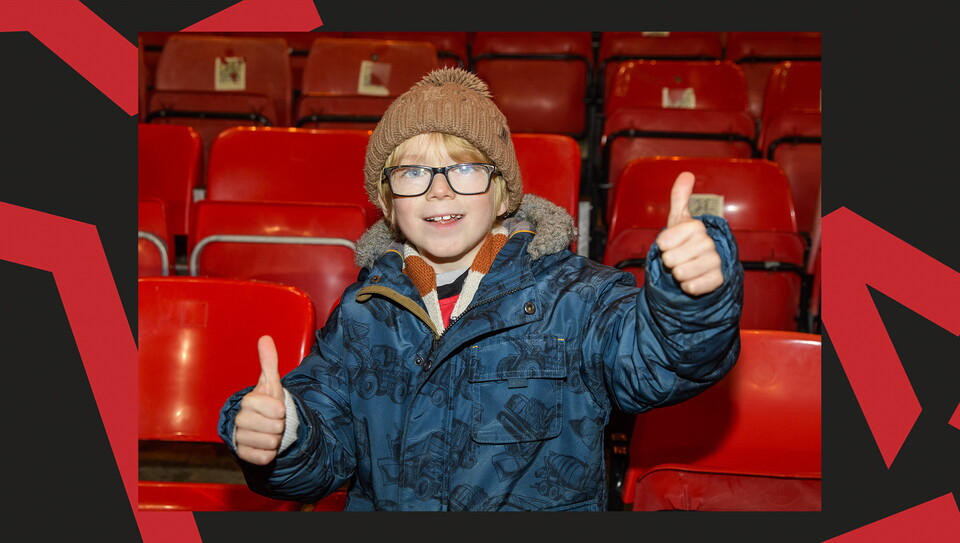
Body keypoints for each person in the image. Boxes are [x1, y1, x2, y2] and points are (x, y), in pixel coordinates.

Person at [218, 67, 744, 511]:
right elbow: (324, 455)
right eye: (412, 172)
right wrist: (285, 435)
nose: (439, 188)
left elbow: (662, 363)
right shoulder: (362, 314)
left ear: (501, 191)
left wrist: (687, 298)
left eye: (465, 168)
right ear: (389, 201)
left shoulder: (579, 297)